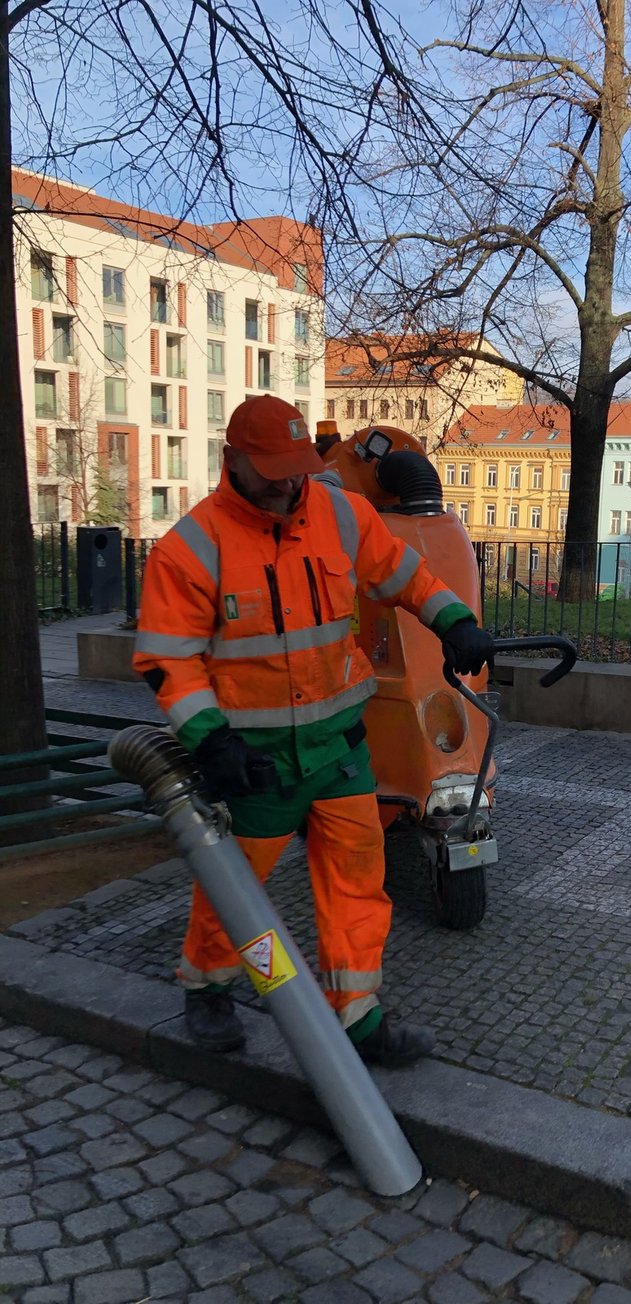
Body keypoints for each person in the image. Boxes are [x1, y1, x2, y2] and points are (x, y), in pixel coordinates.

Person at [133, 395, 494, 1064]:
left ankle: (357, 1018)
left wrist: (455, 623)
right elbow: (167, 659)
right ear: (231, 461)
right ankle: (207, 987)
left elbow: (406, 574)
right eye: (271, 469)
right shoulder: (193, 546)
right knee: (234, 889)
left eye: (296, 467)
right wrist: (212, 739)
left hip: (338, 748)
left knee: (359, 883)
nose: (288, 483)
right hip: (254, 759)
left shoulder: (340, 513)